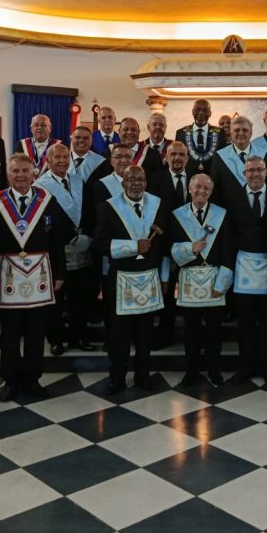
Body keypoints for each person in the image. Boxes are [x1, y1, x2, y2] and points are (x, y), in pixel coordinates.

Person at [0, 153, 69, 402]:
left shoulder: (47, 200)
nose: (20, 175)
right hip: (8, 274)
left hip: (40, 274)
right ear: (7, 174)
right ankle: (10, 381)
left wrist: (60, 273)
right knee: (10, 333)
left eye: (25, 171)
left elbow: (57, 240)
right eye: (15, 171)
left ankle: (33, 379)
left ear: (34, 173)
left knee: (36, 331)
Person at [94, 165, 171, 394]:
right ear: (123, 182)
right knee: (119, 334)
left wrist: (165, 276)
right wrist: (133, 247)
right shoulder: (108, 208)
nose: (136, 184)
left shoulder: (158, 205)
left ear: (146, 182)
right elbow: (100, 244)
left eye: (140, 179)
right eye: (131, 179)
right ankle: (117, 378)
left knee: (145, 333)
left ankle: (143, 376)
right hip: (121, 278)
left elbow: (165, 246)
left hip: (149, 277)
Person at [170, 174, 234, 387]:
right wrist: (191, 248)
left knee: (214, 331)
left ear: (211, 192)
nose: (201, 191)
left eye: (206, 188)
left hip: (214, 279)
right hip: (189, 279)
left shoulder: (221, 214)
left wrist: (222, 283)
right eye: (198, 187)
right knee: (191, 331)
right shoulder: (178, 215)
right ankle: (192, 370)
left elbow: (228, 250)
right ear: (189, 189)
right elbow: (171, 249)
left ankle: (214, 370)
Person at [229, 156, 267, 384]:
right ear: (244, 174)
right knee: (245, 322)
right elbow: (229, 234)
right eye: (250, 170)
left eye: (259, 170)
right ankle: (246, 366)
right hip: (244, 266)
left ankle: (266, 366)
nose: (254, 174)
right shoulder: (232, 197)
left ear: (266, 172)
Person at [35, 144, 92, 356]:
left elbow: (88, 210)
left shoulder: (78, 181)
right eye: (57, 157)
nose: (62, 161)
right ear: (48, 160)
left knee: (81, 297)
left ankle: (78, 336)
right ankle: (56, 340)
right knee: (56, 299)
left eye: (65, 157)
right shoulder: (41, 186)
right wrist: (69, 235)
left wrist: (87, 235)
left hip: (83, 248)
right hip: (57, 248)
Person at [150, 141, 193, 347]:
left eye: (181, 155)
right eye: (173, 154)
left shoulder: (197, 178)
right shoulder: (155, 180)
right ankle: (165, 334)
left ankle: (193, 337)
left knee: (191, 289)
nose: (177, 158)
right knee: (165, 291)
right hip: (164, 246)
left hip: (192, 245)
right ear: (166, 157)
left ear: (187, 158)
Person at [210, 115, 267, 203]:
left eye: (245, 130)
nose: (241, 133)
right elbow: (215, 189)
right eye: (237, 130)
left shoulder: (265, 155)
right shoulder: (219, 156)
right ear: (231, 133)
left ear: (251, 133)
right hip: (228, 208)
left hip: (258, 206)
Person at [175, 98, 226, 174]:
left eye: (205, 110)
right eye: (198, 109)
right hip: (188, 177)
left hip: (213, 177)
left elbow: (223, 159)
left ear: (210, 113)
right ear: (192, 111)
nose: (201, 113)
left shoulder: (220, 133)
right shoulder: (181, 133)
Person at [134, 112, 171, 178]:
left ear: (165, 127)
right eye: (154, 124)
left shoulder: (172, 146)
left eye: (161, 125)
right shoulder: (140, 147)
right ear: (148, 127)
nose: (158, 127)